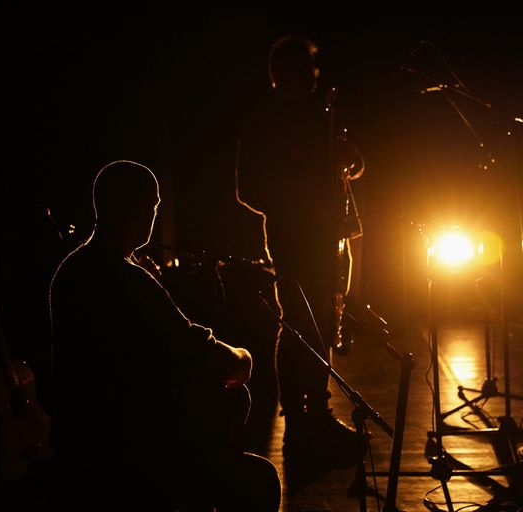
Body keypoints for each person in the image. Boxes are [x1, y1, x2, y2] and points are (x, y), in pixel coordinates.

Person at [48, 160, 281, 510]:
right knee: (258, 479)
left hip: (84, 438)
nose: (153, 216)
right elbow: (196, 349)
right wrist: (243, 357)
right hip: (137, 447)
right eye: (152, 207)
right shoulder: (126, 277)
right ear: (139, 210)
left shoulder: (70, 271)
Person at [235, 34, 365, 466]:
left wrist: (347, 158)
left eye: (312, 73)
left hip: (327, 233)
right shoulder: (263, 121)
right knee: (297, 325)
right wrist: (299, 199)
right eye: (303, 73)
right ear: (279, 75)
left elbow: (354, 163)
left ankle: (319, 413)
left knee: (325, 321)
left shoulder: (320, 115)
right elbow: (247, 188)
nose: (311, 81)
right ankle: (297, 420)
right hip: (294, 234)